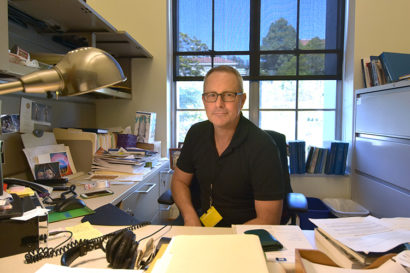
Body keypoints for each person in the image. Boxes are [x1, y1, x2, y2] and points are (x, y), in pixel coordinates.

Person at [171, 65, 285, 227]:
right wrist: (189, 216)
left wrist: (221, 240)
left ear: (242, 100)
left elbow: (268, 220)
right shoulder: (196, 133)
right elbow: (179, 181)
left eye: (228, 95)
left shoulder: (262, 146)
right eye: (212, 95)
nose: (219, 103)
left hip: (244, 235)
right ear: (204, 100)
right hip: (201, 225)